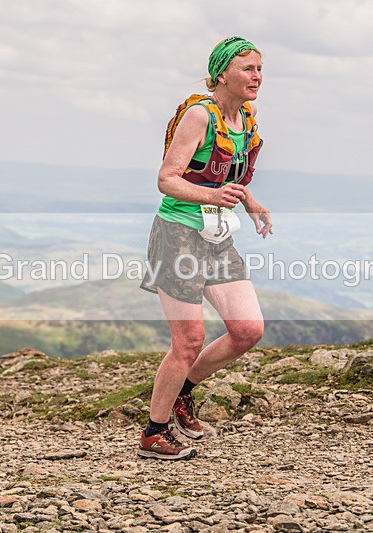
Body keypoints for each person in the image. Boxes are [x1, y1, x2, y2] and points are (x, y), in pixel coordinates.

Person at [137, 36, 273, 460]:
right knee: (188, 341)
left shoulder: (246, 117)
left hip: (216, 237)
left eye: (260, 69)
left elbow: (229, 175)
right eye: (248, 68)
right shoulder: (199, 116)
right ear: (222, 74)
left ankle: (183, 392)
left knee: (247, 330)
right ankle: (154, 434)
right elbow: (167, 179)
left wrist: (250, 202)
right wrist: (213, 197)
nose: (257, 76)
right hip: (177, 234)